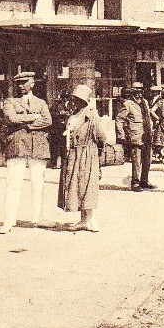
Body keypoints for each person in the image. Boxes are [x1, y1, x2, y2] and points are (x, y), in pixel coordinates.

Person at [0, 71, 52, 234]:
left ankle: (37, 218)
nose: (21, 86)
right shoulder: (10, 102)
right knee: (13, 184)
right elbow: (12, 119)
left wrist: (29, 124)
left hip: (38, 146)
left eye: (24, 82)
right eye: (18, 83)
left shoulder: (41, 102)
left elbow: (48, 121)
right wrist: (34, 117)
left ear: (33, 84)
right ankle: (8, 221)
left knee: (38, 184)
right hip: (17, 145)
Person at [57, 84, 106, 232]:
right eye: (74, 99)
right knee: (76, 186)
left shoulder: (91, 115)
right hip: (73, 154)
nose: (75, 101)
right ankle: (83, 220)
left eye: (78, 99)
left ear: (84, 101)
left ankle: (91, 220)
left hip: (87, 153)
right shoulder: (74, 115)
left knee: (87, 185)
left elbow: (101, 136)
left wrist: (97, 153)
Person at [116, 82, 155, 192]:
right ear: (132, 91)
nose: (139, 92)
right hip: (135, 135)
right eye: (136, 90)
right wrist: (121, 135)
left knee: (147, 159)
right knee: (137, 160)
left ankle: (144, 180)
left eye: (140, 90)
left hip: (147, 135)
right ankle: (135, 182)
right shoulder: (128, 104)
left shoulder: (145, 102)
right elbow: (119, 120)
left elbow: (147, 117)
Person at [47, 91, 69, 170]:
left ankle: (63, 163)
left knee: (63, 147)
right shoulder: (55, 105)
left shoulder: (68, 105)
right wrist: (60, 113)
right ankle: (53, 163)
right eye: (65, 97)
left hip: (63, 128)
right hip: (55, 129)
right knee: (54, 147)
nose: (65, 99)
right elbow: (51, 114)